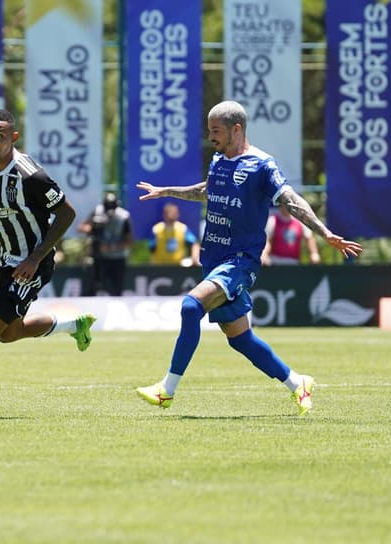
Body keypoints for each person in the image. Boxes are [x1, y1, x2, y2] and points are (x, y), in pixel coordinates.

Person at [135, 101, 362, 415]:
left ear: (236, 129)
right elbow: (207, 190)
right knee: (239, 338)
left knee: (191, 306)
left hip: (240, 260)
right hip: (214, 258)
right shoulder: (218, 160)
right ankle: (298, 383)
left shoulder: (261, 165)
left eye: (216, 131)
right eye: (209, 129)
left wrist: (324, 233)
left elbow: (291, 201)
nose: (210, 136)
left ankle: (166, 390)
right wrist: (168, 191)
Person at [0, 109, 96, 420]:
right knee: (8, 334)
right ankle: (75, 325)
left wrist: (35, 258)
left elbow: (67, 213)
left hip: (34, 263)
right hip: (5, 261)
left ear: (13, 138)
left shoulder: (30, 175)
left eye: (0, 136)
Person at [77, 192, 133, 296]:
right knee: (93, 286)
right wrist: (93, 228)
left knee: (116, 289)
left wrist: (111, 247)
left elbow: (129, 241)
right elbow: (81, 227)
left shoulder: (123, 216)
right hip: (99, 257)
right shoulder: (98, 212)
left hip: (117, 258)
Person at [148, 202, 200, 266]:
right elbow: (151, 248)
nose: (172, 214)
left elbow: (194, 243)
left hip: (179, 266)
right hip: (160, 266)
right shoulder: (156, 229)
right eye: (170, 212)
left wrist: (194, 257)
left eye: (175, 212)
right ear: (164, 214)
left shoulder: (183, 228)